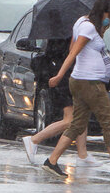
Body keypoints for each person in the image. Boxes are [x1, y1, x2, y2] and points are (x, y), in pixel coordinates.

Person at [40, 0, 110, 184]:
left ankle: (51, 160)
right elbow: (73, 52)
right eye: (109, 14)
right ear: (102, 12)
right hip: (89, 82)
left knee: (77, 124)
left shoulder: (82, 22)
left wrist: (100, 32)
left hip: (82, 80)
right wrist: (59, 76)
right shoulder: (88, 28)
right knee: (109, 122)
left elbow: (75, 47)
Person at [20, 37, 97, 168]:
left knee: (81, 116)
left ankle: (82, 155)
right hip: (66, 78)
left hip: (67, 76)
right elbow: (70, 54)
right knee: (71, 120)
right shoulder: (67, 35)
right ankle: (34, 140)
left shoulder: (60, 34)